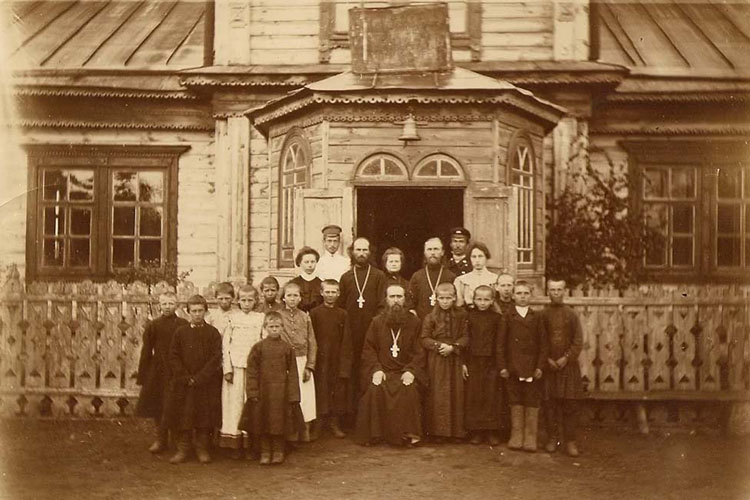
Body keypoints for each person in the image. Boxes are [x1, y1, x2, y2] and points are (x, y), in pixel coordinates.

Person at [355, 284, 426, 447]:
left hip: (404, 371)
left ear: (405, 300)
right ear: (386, 300)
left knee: (409, 390)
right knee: (374, 389)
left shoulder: (414, 322)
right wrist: (376, 370)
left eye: (399, 297)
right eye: (392, 296)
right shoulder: (377, 322)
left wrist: (411, 371)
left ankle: (407, 435)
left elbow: (420, 351)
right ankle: (375, 435)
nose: (396, 300)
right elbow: (369, 349)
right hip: (383, 371)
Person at [163, 295, 222, 464]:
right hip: (185, 383)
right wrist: (185, 377)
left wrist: (200, 378)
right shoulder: (181, 332)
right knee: (185, 415)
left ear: (205, 311)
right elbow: (173, 356)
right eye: (194, 311)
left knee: (204, 416)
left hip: (205, 383)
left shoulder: (212, 333)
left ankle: (202, 448)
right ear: (188, 312)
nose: (197, 314)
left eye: (200, 311)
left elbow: (216, 357)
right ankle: (183, 448)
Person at [239, 311, 304, 465]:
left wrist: (293, 395)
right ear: (265, 327)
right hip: (264, 392)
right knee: (263, 421)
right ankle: (265, 451)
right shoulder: (258, 348)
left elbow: (293, 372)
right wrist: (253, 392)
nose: (274, 329)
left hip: (281, 393)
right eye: (271, 326)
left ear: (282, 327)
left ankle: (278, 451)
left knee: (279, 422)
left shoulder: (287, 348)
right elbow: (252, 371)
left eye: (277, 326)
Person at [338, 237, 387, 413]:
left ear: (370, 252)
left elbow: (382, 304)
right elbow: (341, 306)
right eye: (358, 250)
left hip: (371, 332)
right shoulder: (346, 277)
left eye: (365, 250)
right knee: (351, 372)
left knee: (369, 369)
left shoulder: (379, 276)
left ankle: (370, 412)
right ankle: (351, 414)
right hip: (350, 333)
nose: (361, 253)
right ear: (352, 252)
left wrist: (375, 328)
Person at [136, 291, 188, 454]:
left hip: (177, 370)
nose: (167, 307)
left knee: (175, 404)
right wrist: (143, 375)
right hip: (158, 370)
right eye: (164, 303)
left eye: (171, 303)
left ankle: (177, 440)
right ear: (159, 305)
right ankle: (161, 439)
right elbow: (146, 350)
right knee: (159, 405)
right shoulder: (153, 325)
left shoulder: (183, 324)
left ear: (177, 305)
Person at [498, 281, 548, 452]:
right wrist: (503, 366)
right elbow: (500, 344)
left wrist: (540, 366)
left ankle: (530, 437)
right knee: (515, 399)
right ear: (513, 296)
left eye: (526, 293)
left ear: (530, 295)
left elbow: (543, 345)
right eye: (519, 293)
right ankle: (517, 435)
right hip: (513, 366)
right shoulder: (507, 316)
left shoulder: (537, 317)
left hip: (532, 367)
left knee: (532, 400)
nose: (522, 296)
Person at [219, 285, 264, 458]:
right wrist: (227, 369)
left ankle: (250, 444)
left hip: (253, 370)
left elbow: (262, 343)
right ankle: (234, 444)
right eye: (243, 300)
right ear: (238, 301)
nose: (246, 303)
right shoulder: (232, 318)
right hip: (235, 369)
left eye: (250, 300)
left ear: (255, 301)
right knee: (234, 405)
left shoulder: (260, 318)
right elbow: (225, 346)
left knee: (250, 404)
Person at [420, 282, 468, 441]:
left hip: (454, 358)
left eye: (449, 298)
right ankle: (438, 432)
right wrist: (438, 346)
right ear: (437, 298)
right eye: (442, 298)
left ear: (454, 298)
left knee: (456, 393)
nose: (445, 301)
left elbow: (466, 336)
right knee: (438, 393)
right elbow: (424, 338)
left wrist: (453, 347)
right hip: (437, 359)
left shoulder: (461, 315)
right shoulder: (430, 317)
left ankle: (456, 432)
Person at [542, 279, 583, 457]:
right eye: (553, 290)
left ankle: (570, 441)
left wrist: (566, 358)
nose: (556, 293)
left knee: (570, 405)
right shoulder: (542, 315)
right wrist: (547, 359)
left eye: (559, 290)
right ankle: (552, 438)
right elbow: (539, 340)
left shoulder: (571, 314)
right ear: (548, 292)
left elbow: (578, 341)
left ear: (564, 291)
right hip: (549, 368)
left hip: (568, 368)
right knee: (549, 405)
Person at [309, 280, 352, 438]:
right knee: (320, 389)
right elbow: (311, 337)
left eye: (333, 292)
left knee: (337, 391)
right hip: (320, 359)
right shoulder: (314, 313)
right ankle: (319, 423)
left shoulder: (343, 314)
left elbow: (347, 340)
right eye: (327, 292)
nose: (330, 295)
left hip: (336, 358)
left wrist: (344, 364)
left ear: (338, 294)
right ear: (321, 293)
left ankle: (335, 423)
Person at [464, 285, 504, 445]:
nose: (482, 302)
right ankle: (477, 431)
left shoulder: (497, 318)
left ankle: (491, 431)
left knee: (491, 395)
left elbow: (500, 342)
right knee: (475, 395)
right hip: (473, 360)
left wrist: (500, 364)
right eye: (479, 299)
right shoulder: (469, 316)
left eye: (486, 299)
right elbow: (466, 339)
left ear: (492, 300)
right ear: (474, 300)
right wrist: (464, 362)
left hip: (491, 361)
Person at [278, 282, 318, 441]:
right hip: (285, 361)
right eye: (289, 295)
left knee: (305, 395)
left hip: (302, 361)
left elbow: (312, 342)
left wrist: (310, 366)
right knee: (288, 395)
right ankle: (290, 432)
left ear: (300, 298)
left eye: (295, 295)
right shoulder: (278, 316)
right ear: (283, 298)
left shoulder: (305, 317)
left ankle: (305, 429)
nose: (292, 299)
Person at [409, 237, 456, 319]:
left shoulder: (451, 276)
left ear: (442, 252)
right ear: (424, 252)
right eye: (429, 249)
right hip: (422, 322)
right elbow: (411, 303)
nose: (433, 253)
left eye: (436, 249)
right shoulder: (417, 276)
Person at [454, 242, 499, 309]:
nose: (477, 260)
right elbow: (459, 304)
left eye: (480, 256)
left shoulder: (495, 279)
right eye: (474, 257)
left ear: (486, 257)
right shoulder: (461, 280)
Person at [290, 246, 323, 313]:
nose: (310, 265)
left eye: (312, 262)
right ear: (300, 263)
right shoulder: (294, 283)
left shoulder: (321, 284)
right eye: (306, 262)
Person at [382, 247, 414, 311]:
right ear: (385, 264)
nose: (394, 264)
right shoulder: (380, 281)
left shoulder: (406, 284)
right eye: (391, 262)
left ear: (401, 263)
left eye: (396, 261)